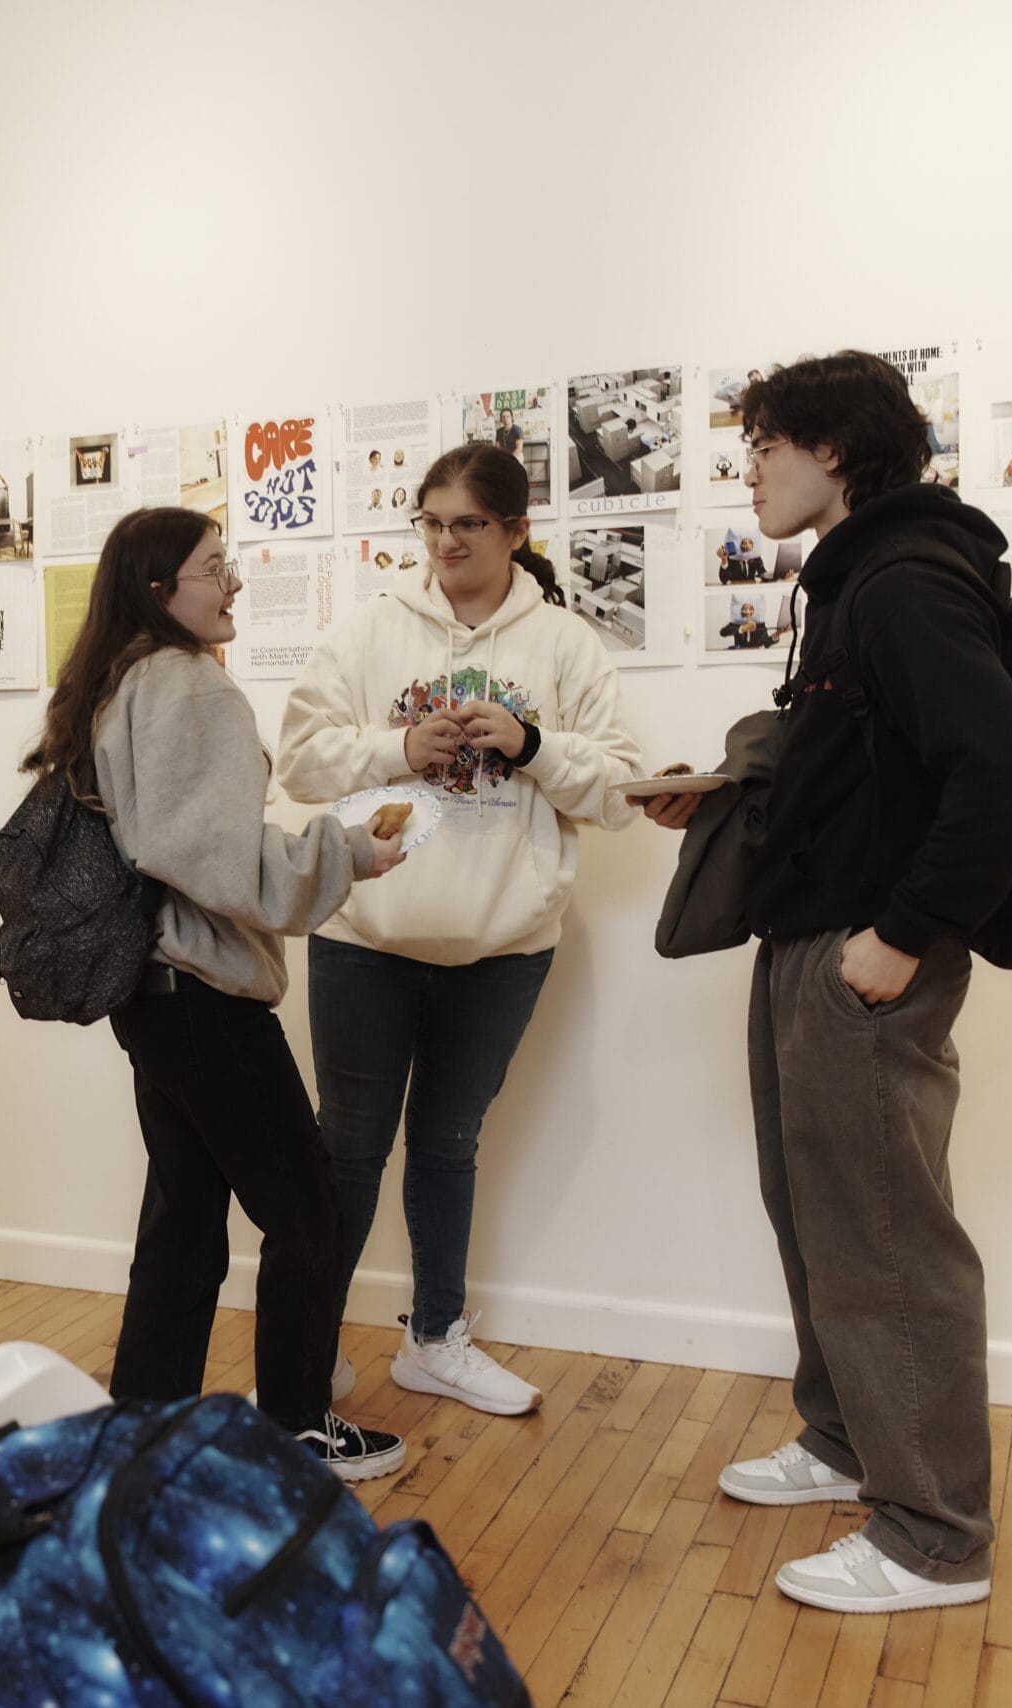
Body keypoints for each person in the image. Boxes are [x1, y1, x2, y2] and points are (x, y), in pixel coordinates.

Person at [642, 351, 1012, 1616]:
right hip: (808, 940)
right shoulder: (854, 577)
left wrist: (905, 933)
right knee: (815, 1211)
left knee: (886, 1240)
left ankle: (934, 1537)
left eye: (766, 444)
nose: (749, 469)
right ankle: (845, 1441)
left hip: (863, 956)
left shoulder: (903, 576)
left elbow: (1002, 773)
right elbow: (865, 766)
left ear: (837, 450)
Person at [24, 505, 411, 1481]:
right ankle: (294, 1426)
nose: (232, 582)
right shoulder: (189, 687)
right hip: (199, 991)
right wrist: (347, 850)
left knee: (185, 1226)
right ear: (161, 591)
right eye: (213, 568)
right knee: (307, 1208)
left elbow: (172, 844)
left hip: (149, 994)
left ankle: (139, 1437)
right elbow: (206, 852)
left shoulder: (117, 682)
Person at [275, 442, 643, 1419]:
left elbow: (619, 791)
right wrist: (391, 747)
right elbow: (301, 763)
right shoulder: (365, 632)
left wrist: (529, 746)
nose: (445, 541)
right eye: (430, 521)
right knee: (346, 1150)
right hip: (362, 934)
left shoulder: (562, 644)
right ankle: (302, 1354)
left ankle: (434, 1337)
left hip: (501, 946)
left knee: (447, 1143)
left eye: (468, 523)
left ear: (517, 532)